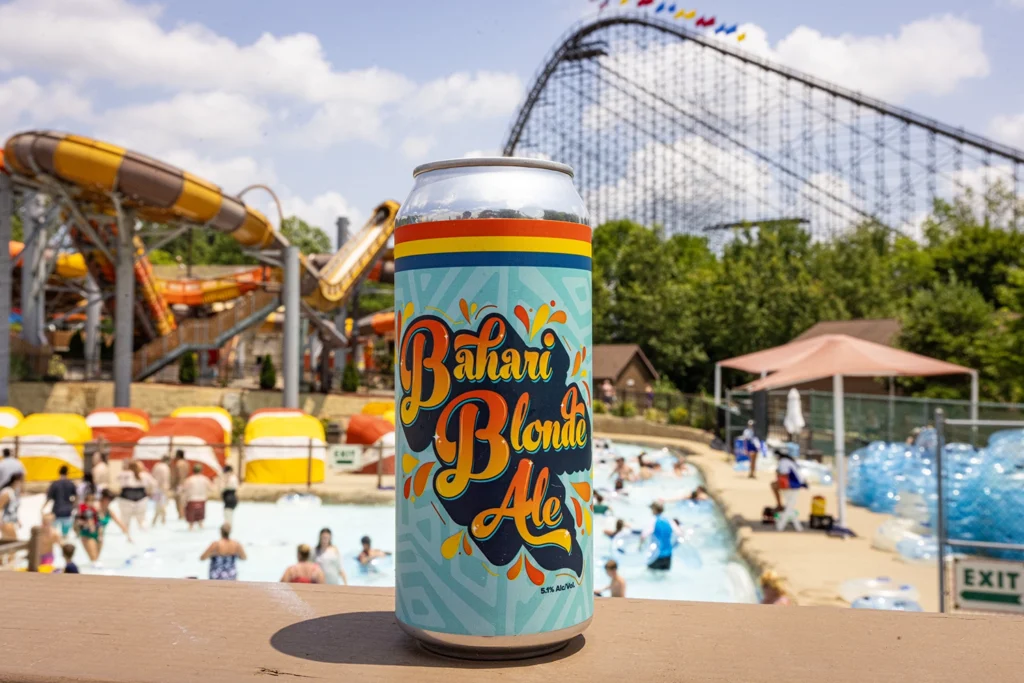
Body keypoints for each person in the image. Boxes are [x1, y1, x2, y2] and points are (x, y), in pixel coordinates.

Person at [79, 489, 132, 565]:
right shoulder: (95, 507)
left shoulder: (108, 511)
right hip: (88, 534)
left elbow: (119, 522)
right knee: (94, 560)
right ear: (103, 498)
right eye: (108, 500)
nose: (109, 502)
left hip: (100, 536)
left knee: (96, 560)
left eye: (111, 500)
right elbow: (87, 518)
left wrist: (128, 535)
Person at [45, 465, 77, 538]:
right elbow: (76, 496)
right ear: (67, 473)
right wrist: (73, 505)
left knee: (52, 535)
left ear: (59, 472)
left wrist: (43, 507)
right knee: (65, 536)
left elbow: (49, 498)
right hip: (67, 511)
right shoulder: (71, 484)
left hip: (56, 511)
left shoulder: (55, 484)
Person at [117, 461, 150, 532]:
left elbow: (118, 481)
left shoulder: (123, 474)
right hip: (141, 500)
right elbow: (154, 485)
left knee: (125, 524)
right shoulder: (145, 475)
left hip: (125, 500)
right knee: (142, 523)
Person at [642, 501, 674, 571]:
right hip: (668, 555)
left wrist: (640, 546)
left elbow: (643, 535)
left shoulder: (653, 520)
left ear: (655, 510)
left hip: (655, 555)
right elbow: (679, 534)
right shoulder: (669, 520)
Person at [182, 464, 211, 531]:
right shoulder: (205, 479)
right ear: (201, 471)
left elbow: (184, 489)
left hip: (191, 500)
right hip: (202, 500)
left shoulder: (189, 480)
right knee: (200, 521)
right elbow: (211, 488)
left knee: (191, 524)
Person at [0, 472, 23, 543]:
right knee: (13, 544)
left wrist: (17, 520)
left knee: (7, 545)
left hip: (11, 521)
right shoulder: (7, 492)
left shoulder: (14, 492)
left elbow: (13, 509)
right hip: (6, 521)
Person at [151, 455, 171, 526]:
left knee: (157, 504)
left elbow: (152, 476)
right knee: (162, 504)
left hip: (155, 488)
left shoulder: (156, 466)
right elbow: (165, 479)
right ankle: (162, 519)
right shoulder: (165, 467)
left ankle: (156, 519)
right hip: (163, 488)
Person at [173, 451, 190, 519]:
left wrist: (174, 484)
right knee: (184, 500)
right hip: (185, 483)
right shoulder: (186, 463)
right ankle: (183, 514)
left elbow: (178, 475)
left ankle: (181, 515)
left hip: (179, 484)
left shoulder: (179, 463)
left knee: (178, 500)